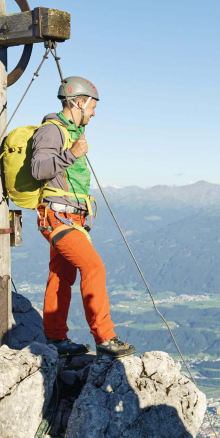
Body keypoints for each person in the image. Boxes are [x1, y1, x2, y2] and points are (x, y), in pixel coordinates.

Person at [30, 76, 135, 358]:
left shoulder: (70, 131)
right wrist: (71, 154)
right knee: (93, 268)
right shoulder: (52, 131)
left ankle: (55, 339)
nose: (93, 113)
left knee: (61, 275)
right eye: (92, 107)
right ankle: (105, 337)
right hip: (58, 217)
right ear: (80, 102)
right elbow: (38, 169)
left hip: (68, 217)